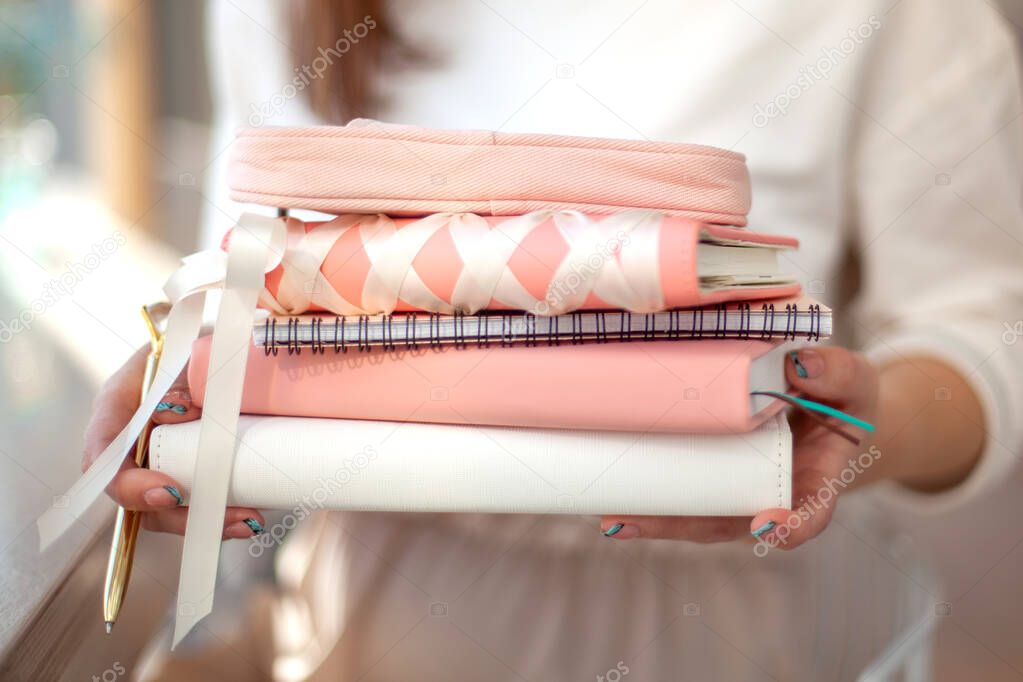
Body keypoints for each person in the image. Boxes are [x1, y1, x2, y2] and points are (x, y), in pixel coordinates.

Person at [87, 1, 1023, 679]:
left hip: (720, 632)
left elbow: (985, 334)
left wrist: (862, 425)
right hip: (362, 619)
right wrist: (182, 392)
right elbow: (244, 286)